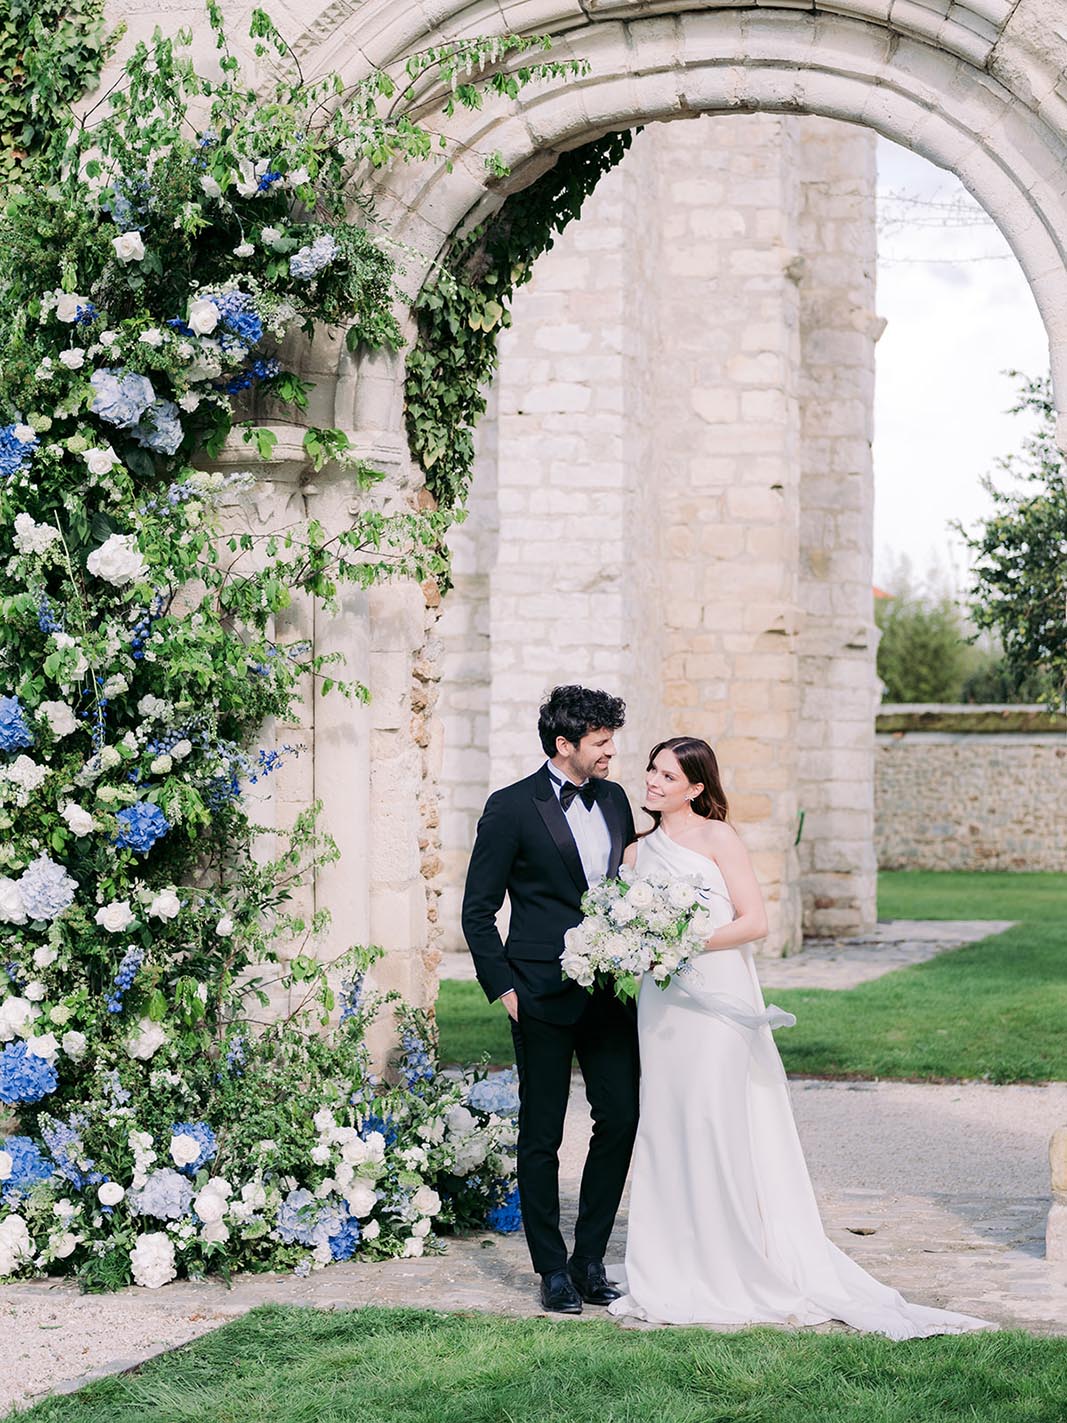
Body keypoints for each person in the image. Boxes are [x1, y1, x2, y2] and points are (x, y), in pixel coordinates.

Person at [607, 735, 992, 1339]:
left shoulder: (718, 838)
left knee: (714, 1118)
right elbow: (627, 921)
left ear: (697, 787)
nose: (653, 783)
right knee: (667, 1119)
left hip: (714, 998)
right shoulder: (635, 853)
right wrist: (642, 946)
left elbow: (754, 921)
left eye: (667, 776)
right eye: (651, 771)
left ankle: (737, 1254)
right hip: (662, 1004)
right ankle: (673, 1260)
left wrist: (679, 942)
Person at [461, 685, 639, 1315]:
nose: (612, 750)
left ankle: (590, 1260)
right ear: (564, 745)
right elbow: (477, 912)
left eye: (611, 738)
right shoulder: (509, 807)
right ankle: (551, 1269)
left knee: (620, 1117)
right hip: (537, 992)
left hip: (610, 991)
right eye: (600, 741)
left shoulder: (615, 799)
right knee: (542, 1134)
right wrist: (503, 987)